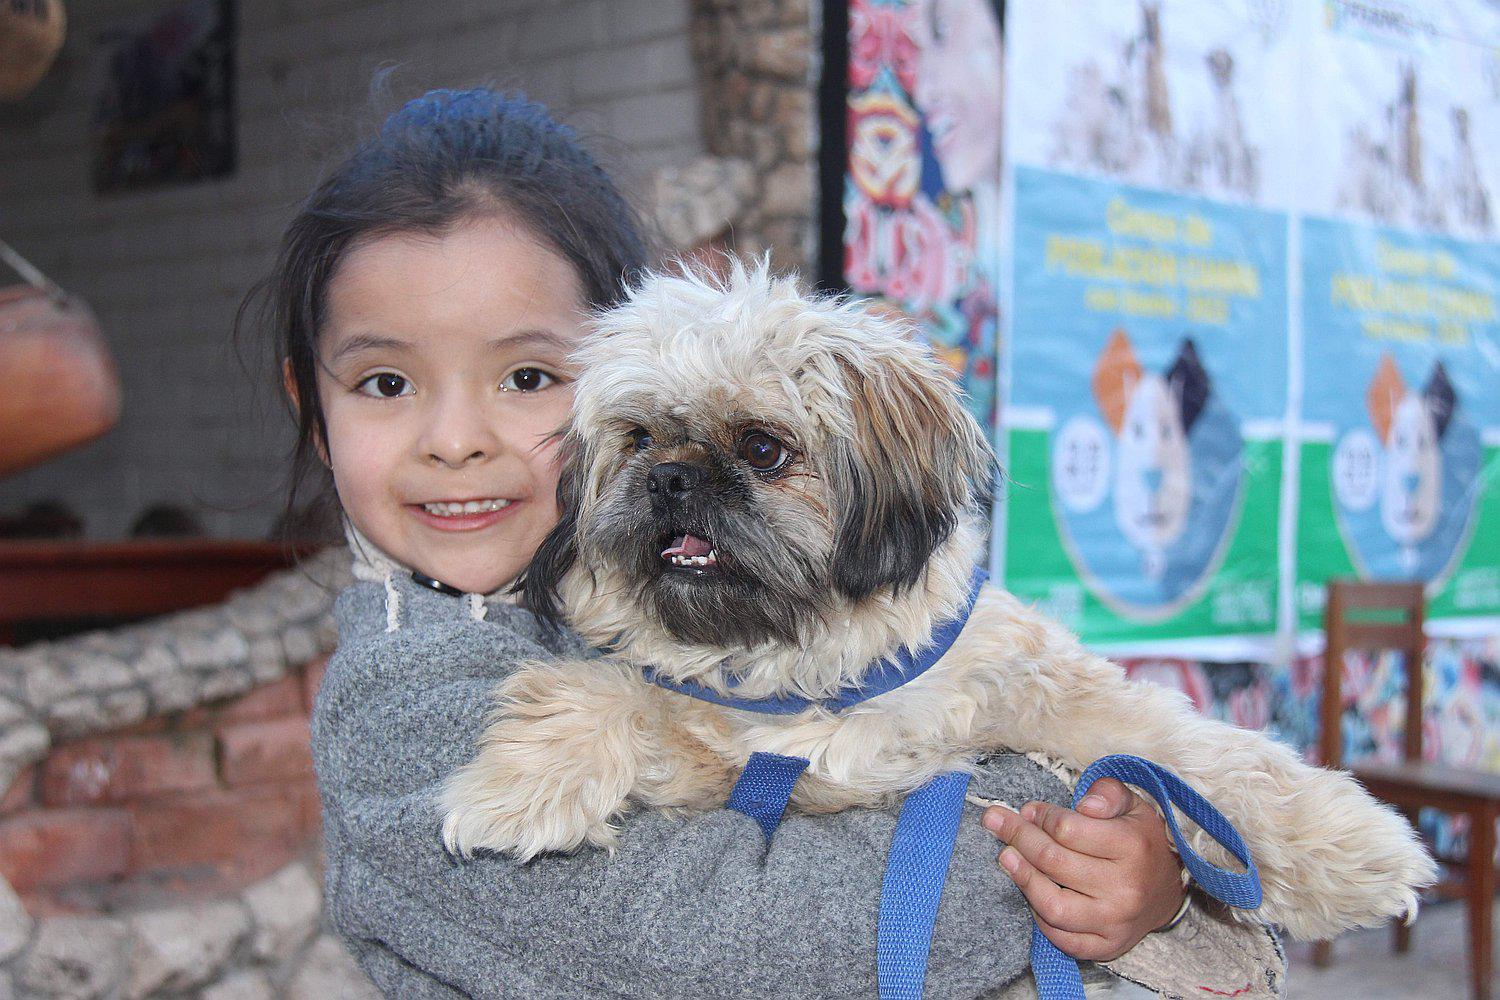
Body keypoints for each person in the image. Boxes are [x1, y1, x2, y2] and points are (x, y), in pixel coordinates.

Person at [256, 88, 1188, 997]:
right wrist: (1054, 844)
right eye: (385, 383)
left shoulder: (643, 602)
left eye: (529, 375)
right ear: (313, 408)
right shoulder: (400, 708)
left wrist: (1151, 860)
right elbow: (746, 951)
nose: (455, 439)